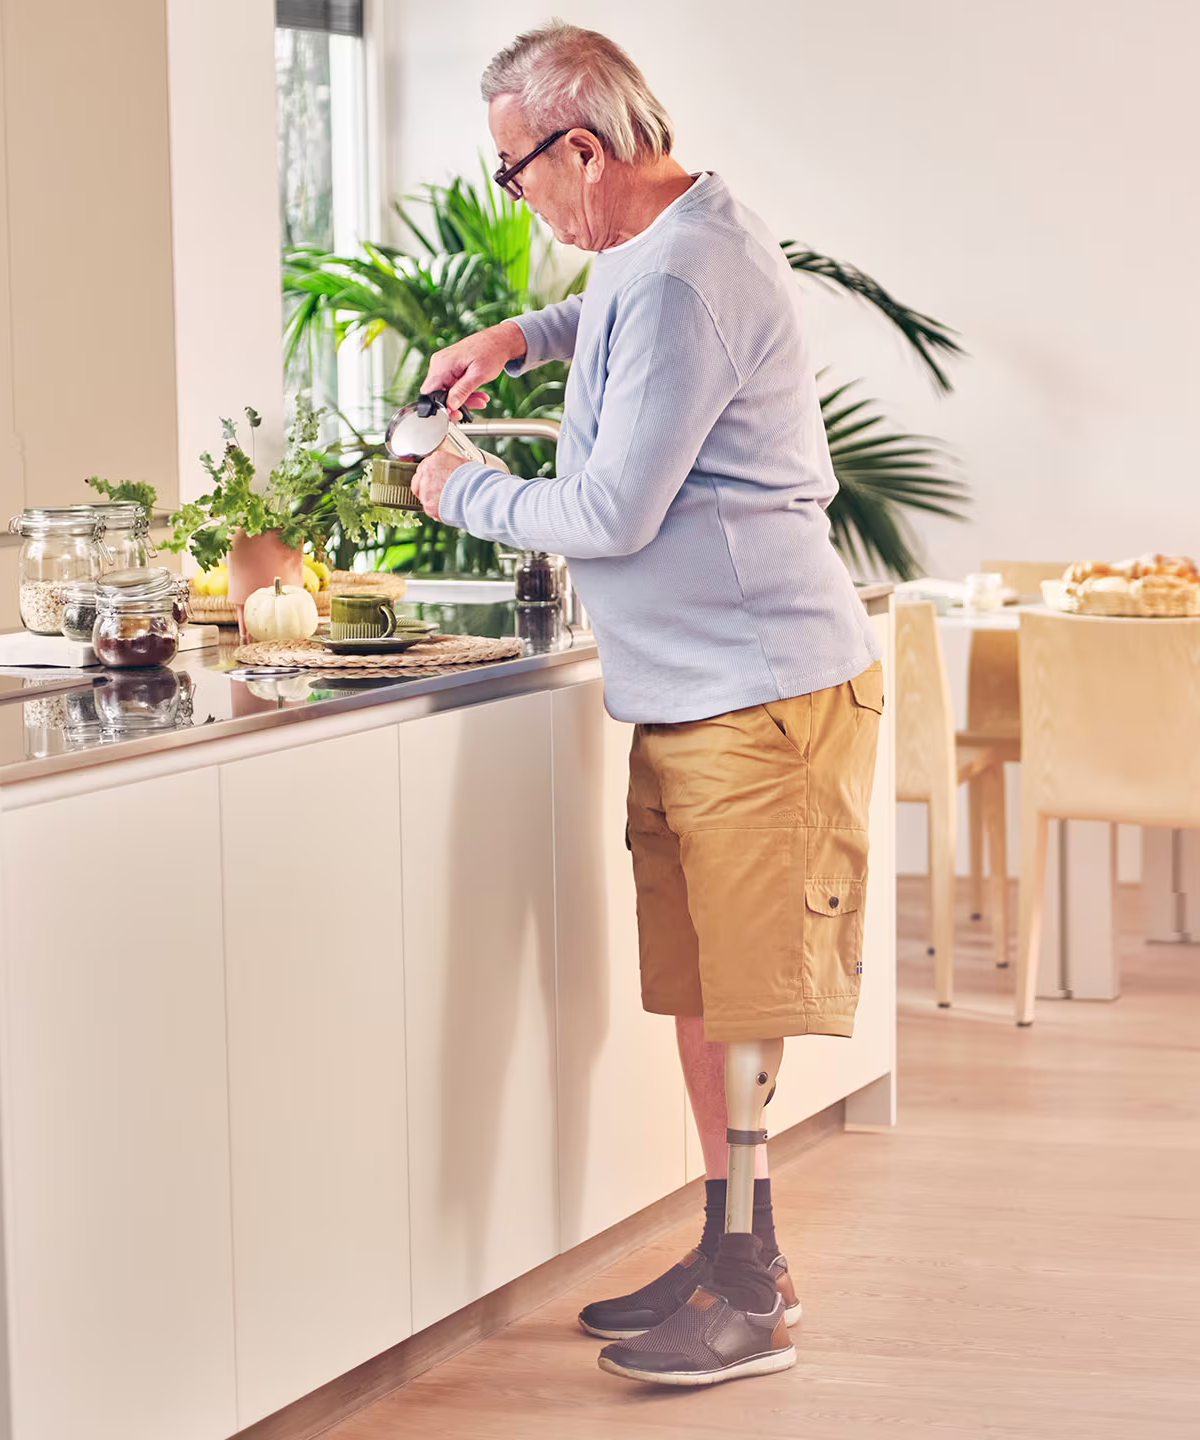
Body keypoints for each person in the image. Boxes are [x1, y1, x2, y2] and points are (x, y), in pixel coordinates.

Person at [410, 24, 881, 1389]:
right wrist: (522, 328)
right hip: (694, 690)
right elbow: (616, 310)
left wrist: (456, 490)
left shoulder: (682, 276)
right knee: (700, 992)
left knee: (741, 998)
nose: (518, 200)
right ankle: (731, 1250)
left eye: (517, 173)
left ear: (584, 149)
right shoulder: (657, 245)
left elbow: (612, 512)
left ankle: (753, 1293)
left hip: (761, 692)